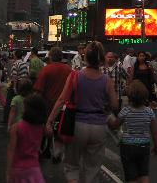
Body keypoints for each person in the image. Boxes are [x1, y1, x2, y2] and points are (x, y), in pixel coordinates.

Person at [46, 41, 118, 183]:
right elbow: (115, 104)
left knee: (72, 167)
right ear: (102, 58)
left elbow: (61, 100)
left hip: (77, 125)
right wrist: (105, 108)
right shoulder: (106, 80)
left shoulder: (75, 76)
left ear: (85, 57)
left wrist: (49, 121)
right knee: (93, 169)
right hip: (98, 126)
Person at [108, 80, 157, 183]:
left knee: (131, 176)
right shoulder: (149, 111)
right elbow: (154, 132)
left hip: (127, 146)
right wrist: (156, 146)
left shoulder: (126, 111)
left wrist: (109, 117)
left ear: (129, 97)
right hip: (144, 145)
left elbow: (115, 126)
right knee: (144, 174)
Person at [6, 93, 47, 183]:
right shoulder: (41, 127)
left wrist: (8, 173)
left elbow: (11, 150)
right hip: (34, 168)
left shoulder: (16, 128)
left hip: (18, 168)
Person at [3, 49, 29, 123]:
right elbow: (26, 75)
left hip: (17, 84)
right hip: (24, 84)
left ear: (16, 56)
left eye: (14, 55)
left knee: (9, 101)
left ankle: (7, 118)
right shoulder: (25, 64)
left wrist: (14, 87)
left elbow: (14, 76)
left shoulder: (16, 64)